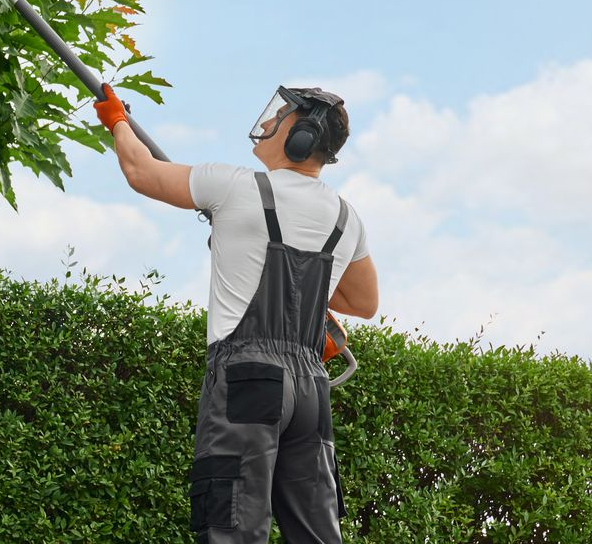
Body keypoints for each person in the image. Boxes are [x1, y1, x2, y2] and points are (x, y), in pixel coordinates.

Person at [93, 84, 378, 544]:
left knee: (231, 526)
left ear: (300, 135)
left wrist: (118, 122)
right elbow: (364, 303)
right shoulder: (347, 219)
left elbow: (141, 171)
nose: (265, 123)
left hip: (248, 378)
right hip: (311, 387)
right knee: (317, 533)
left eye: (277, 117)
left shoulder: (234, 186)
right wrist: (305, 297)